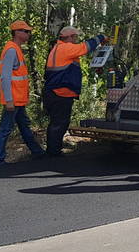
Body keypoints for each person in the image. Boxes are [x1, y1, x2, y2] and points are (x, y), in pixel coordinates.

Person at [43, 26, 107, 156]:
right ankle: (53, 153)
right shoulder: (66, 48)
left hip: (54, 92)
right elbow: (85, 47)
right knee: (59, 123)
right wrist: (101, 38)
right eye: (76, 37)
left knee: (56, 122)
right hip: (61, 92)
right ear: (70, 37)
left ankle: (53, 148)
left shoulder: (57, 48)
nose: (77, 40)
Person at [0, 20, 45, 164]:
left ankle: (37, 152)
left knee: (24, 125)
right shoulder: (11, 50)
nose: (28, 34)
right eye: (26, 31)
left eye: (28, 31)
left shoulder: (16, 49)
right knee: (5, 128)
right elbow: (5, 77)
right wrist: (9, 100)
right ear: (17, 33)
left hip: (18, 100)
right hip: (13, 100)